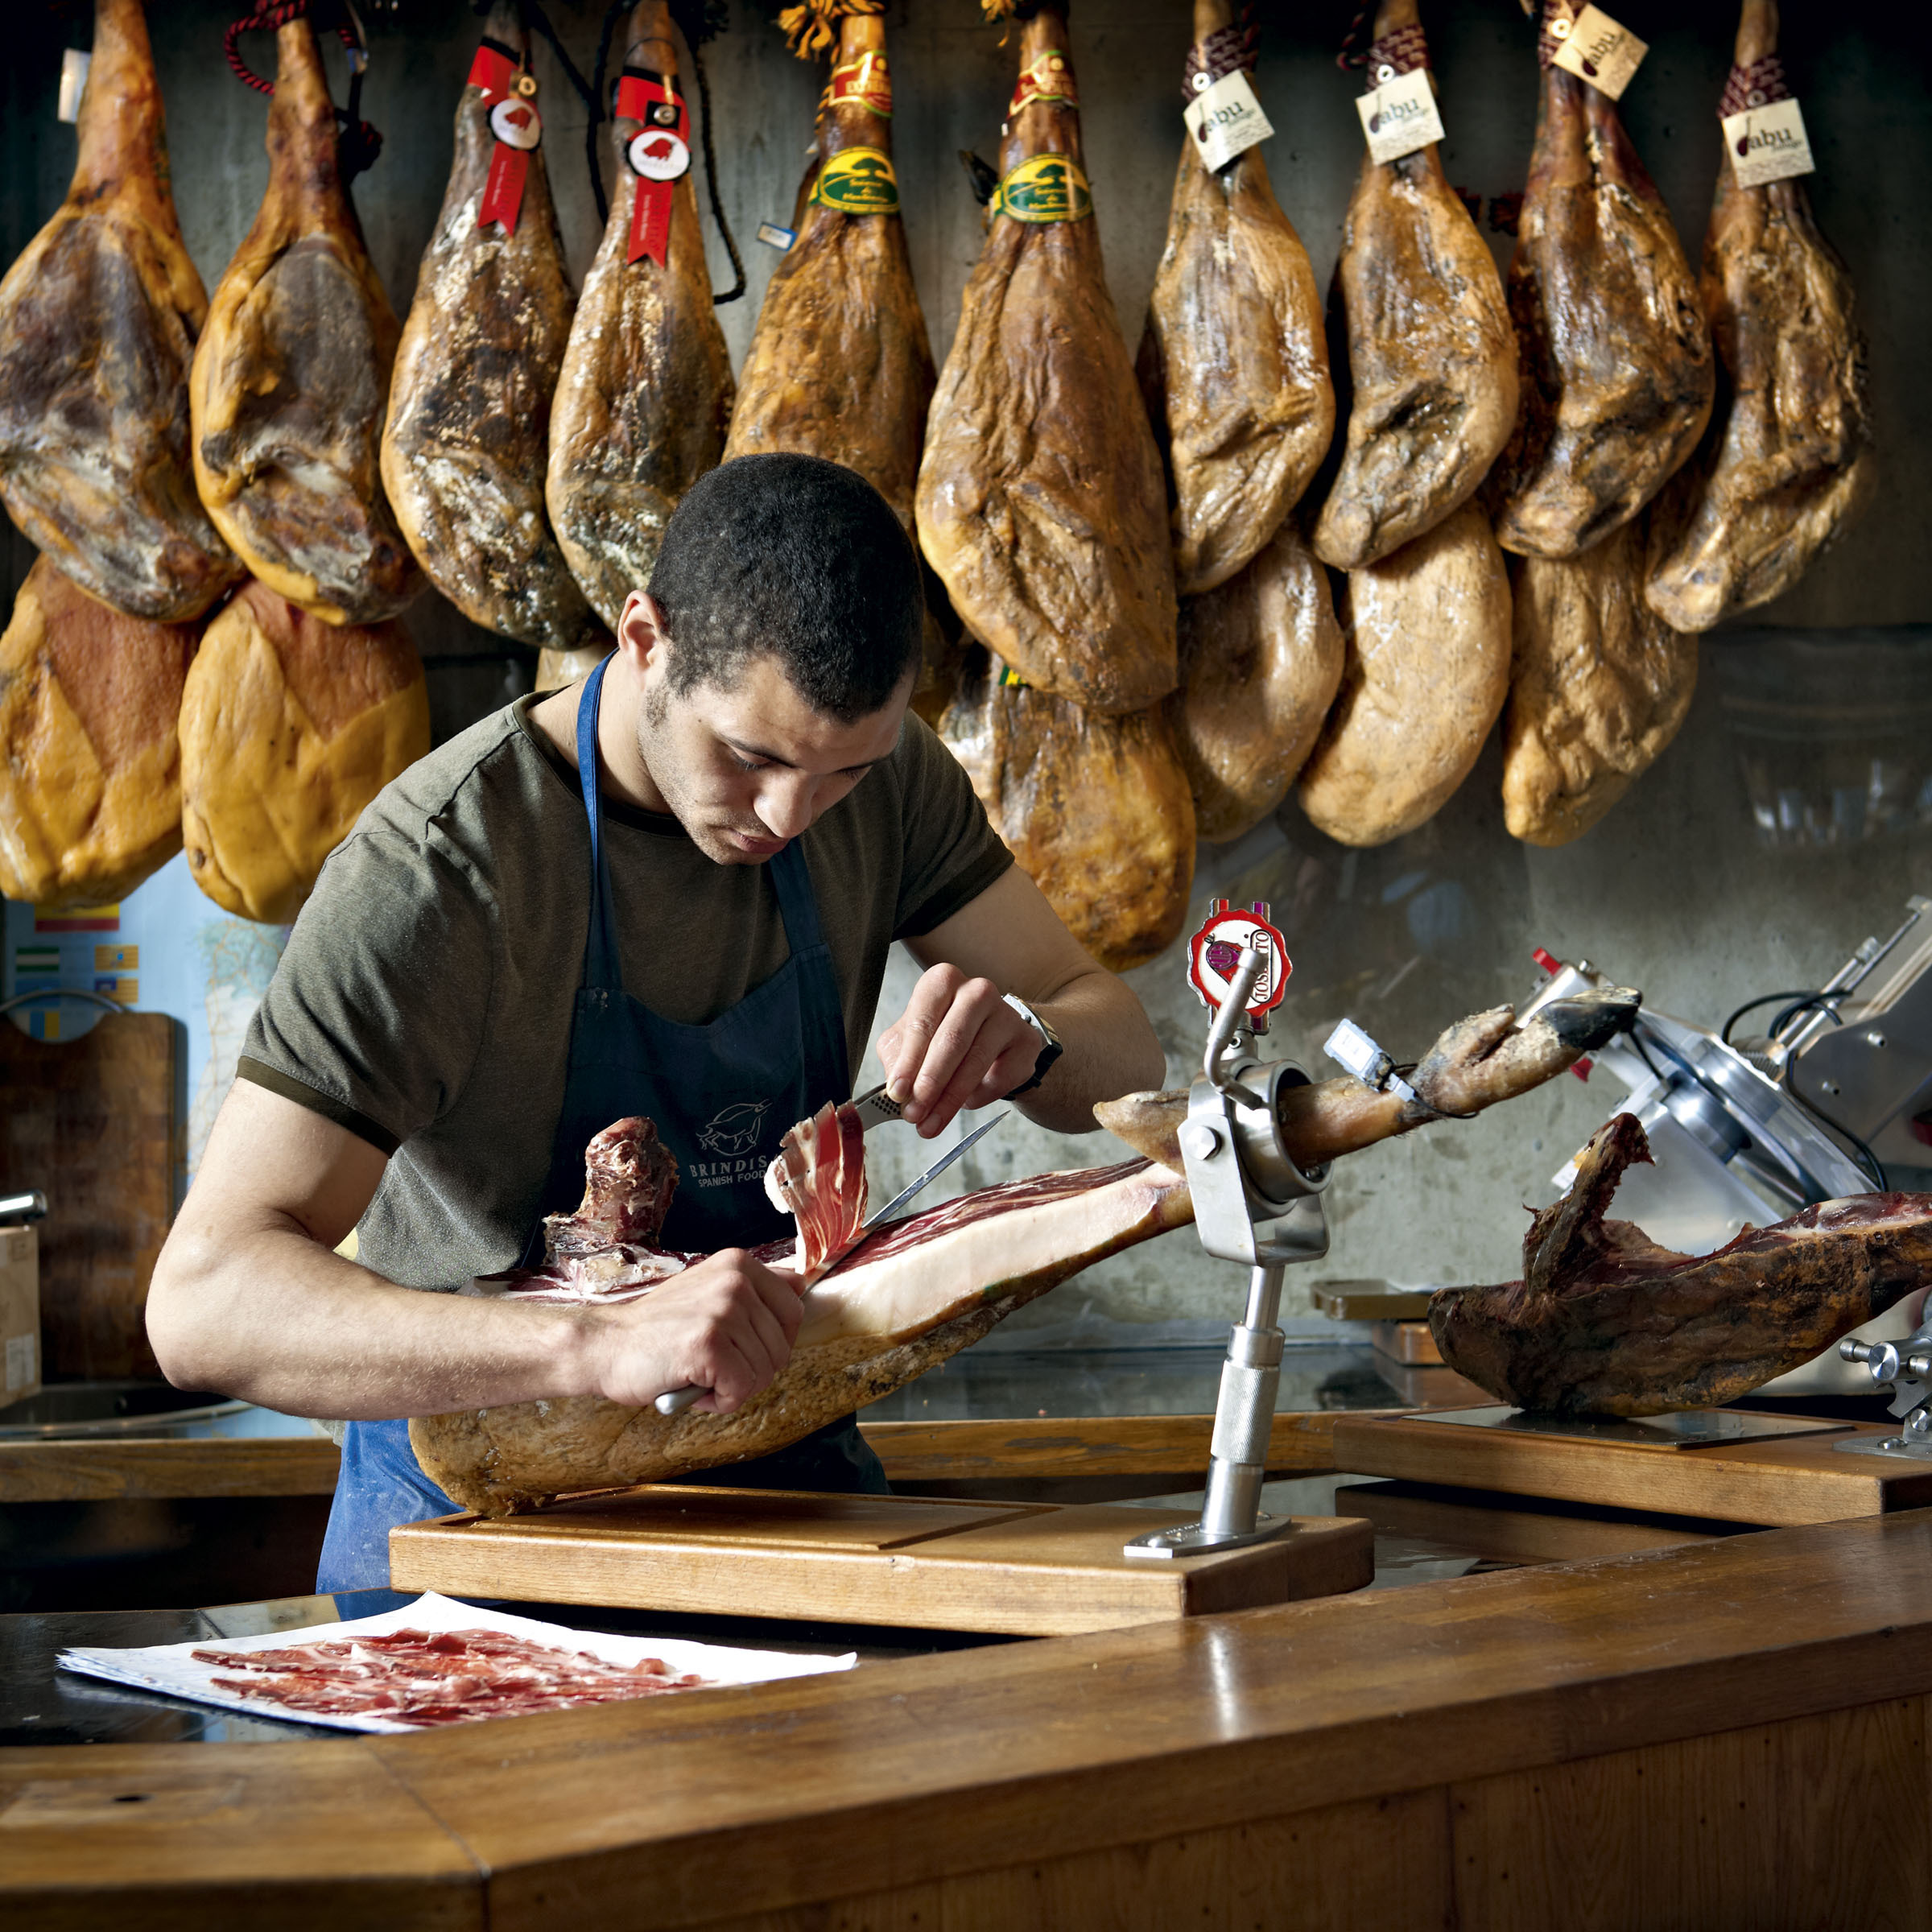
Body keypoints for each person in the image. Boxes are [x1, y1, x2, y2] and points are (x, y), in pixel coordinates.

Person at [147, 454, 1166, 1590]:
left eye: (842, 773)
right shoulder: (440, 871)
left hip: (789, 1492)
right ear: (645, 641)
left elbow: (1123, 1043)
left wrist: (1031, 1042)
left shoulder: (885, 782)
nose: (791, 813)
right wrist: (600, 1340)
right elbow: (205, 1303)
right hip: (492, 1524)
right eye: (752, 755)